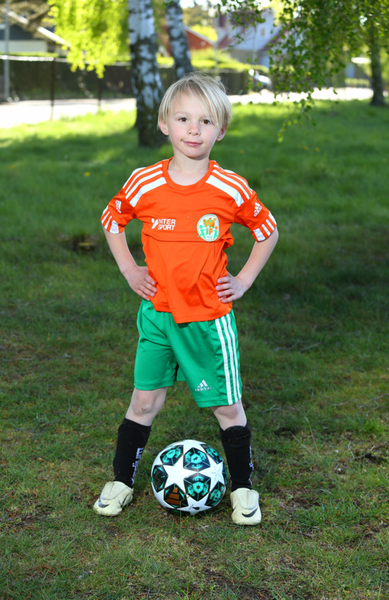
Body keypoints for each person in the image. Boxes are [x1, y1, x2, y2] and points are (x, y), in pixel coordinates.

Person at [94, 72, 278, 525]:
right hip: (157, 316)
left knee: (227, 407)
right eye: (183, 119)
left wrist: (244, 280)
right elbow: (112, 219)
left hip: (207, 320)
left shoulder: (230, 187)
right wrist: (130, 269)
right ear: (164, 124)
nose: (194, 130)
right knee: (143, 402)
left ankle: (242, 488)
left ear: (221, 130)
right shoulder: (144, 182)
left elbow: (268, 230)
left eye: (206, 121)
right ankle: (120, 480)